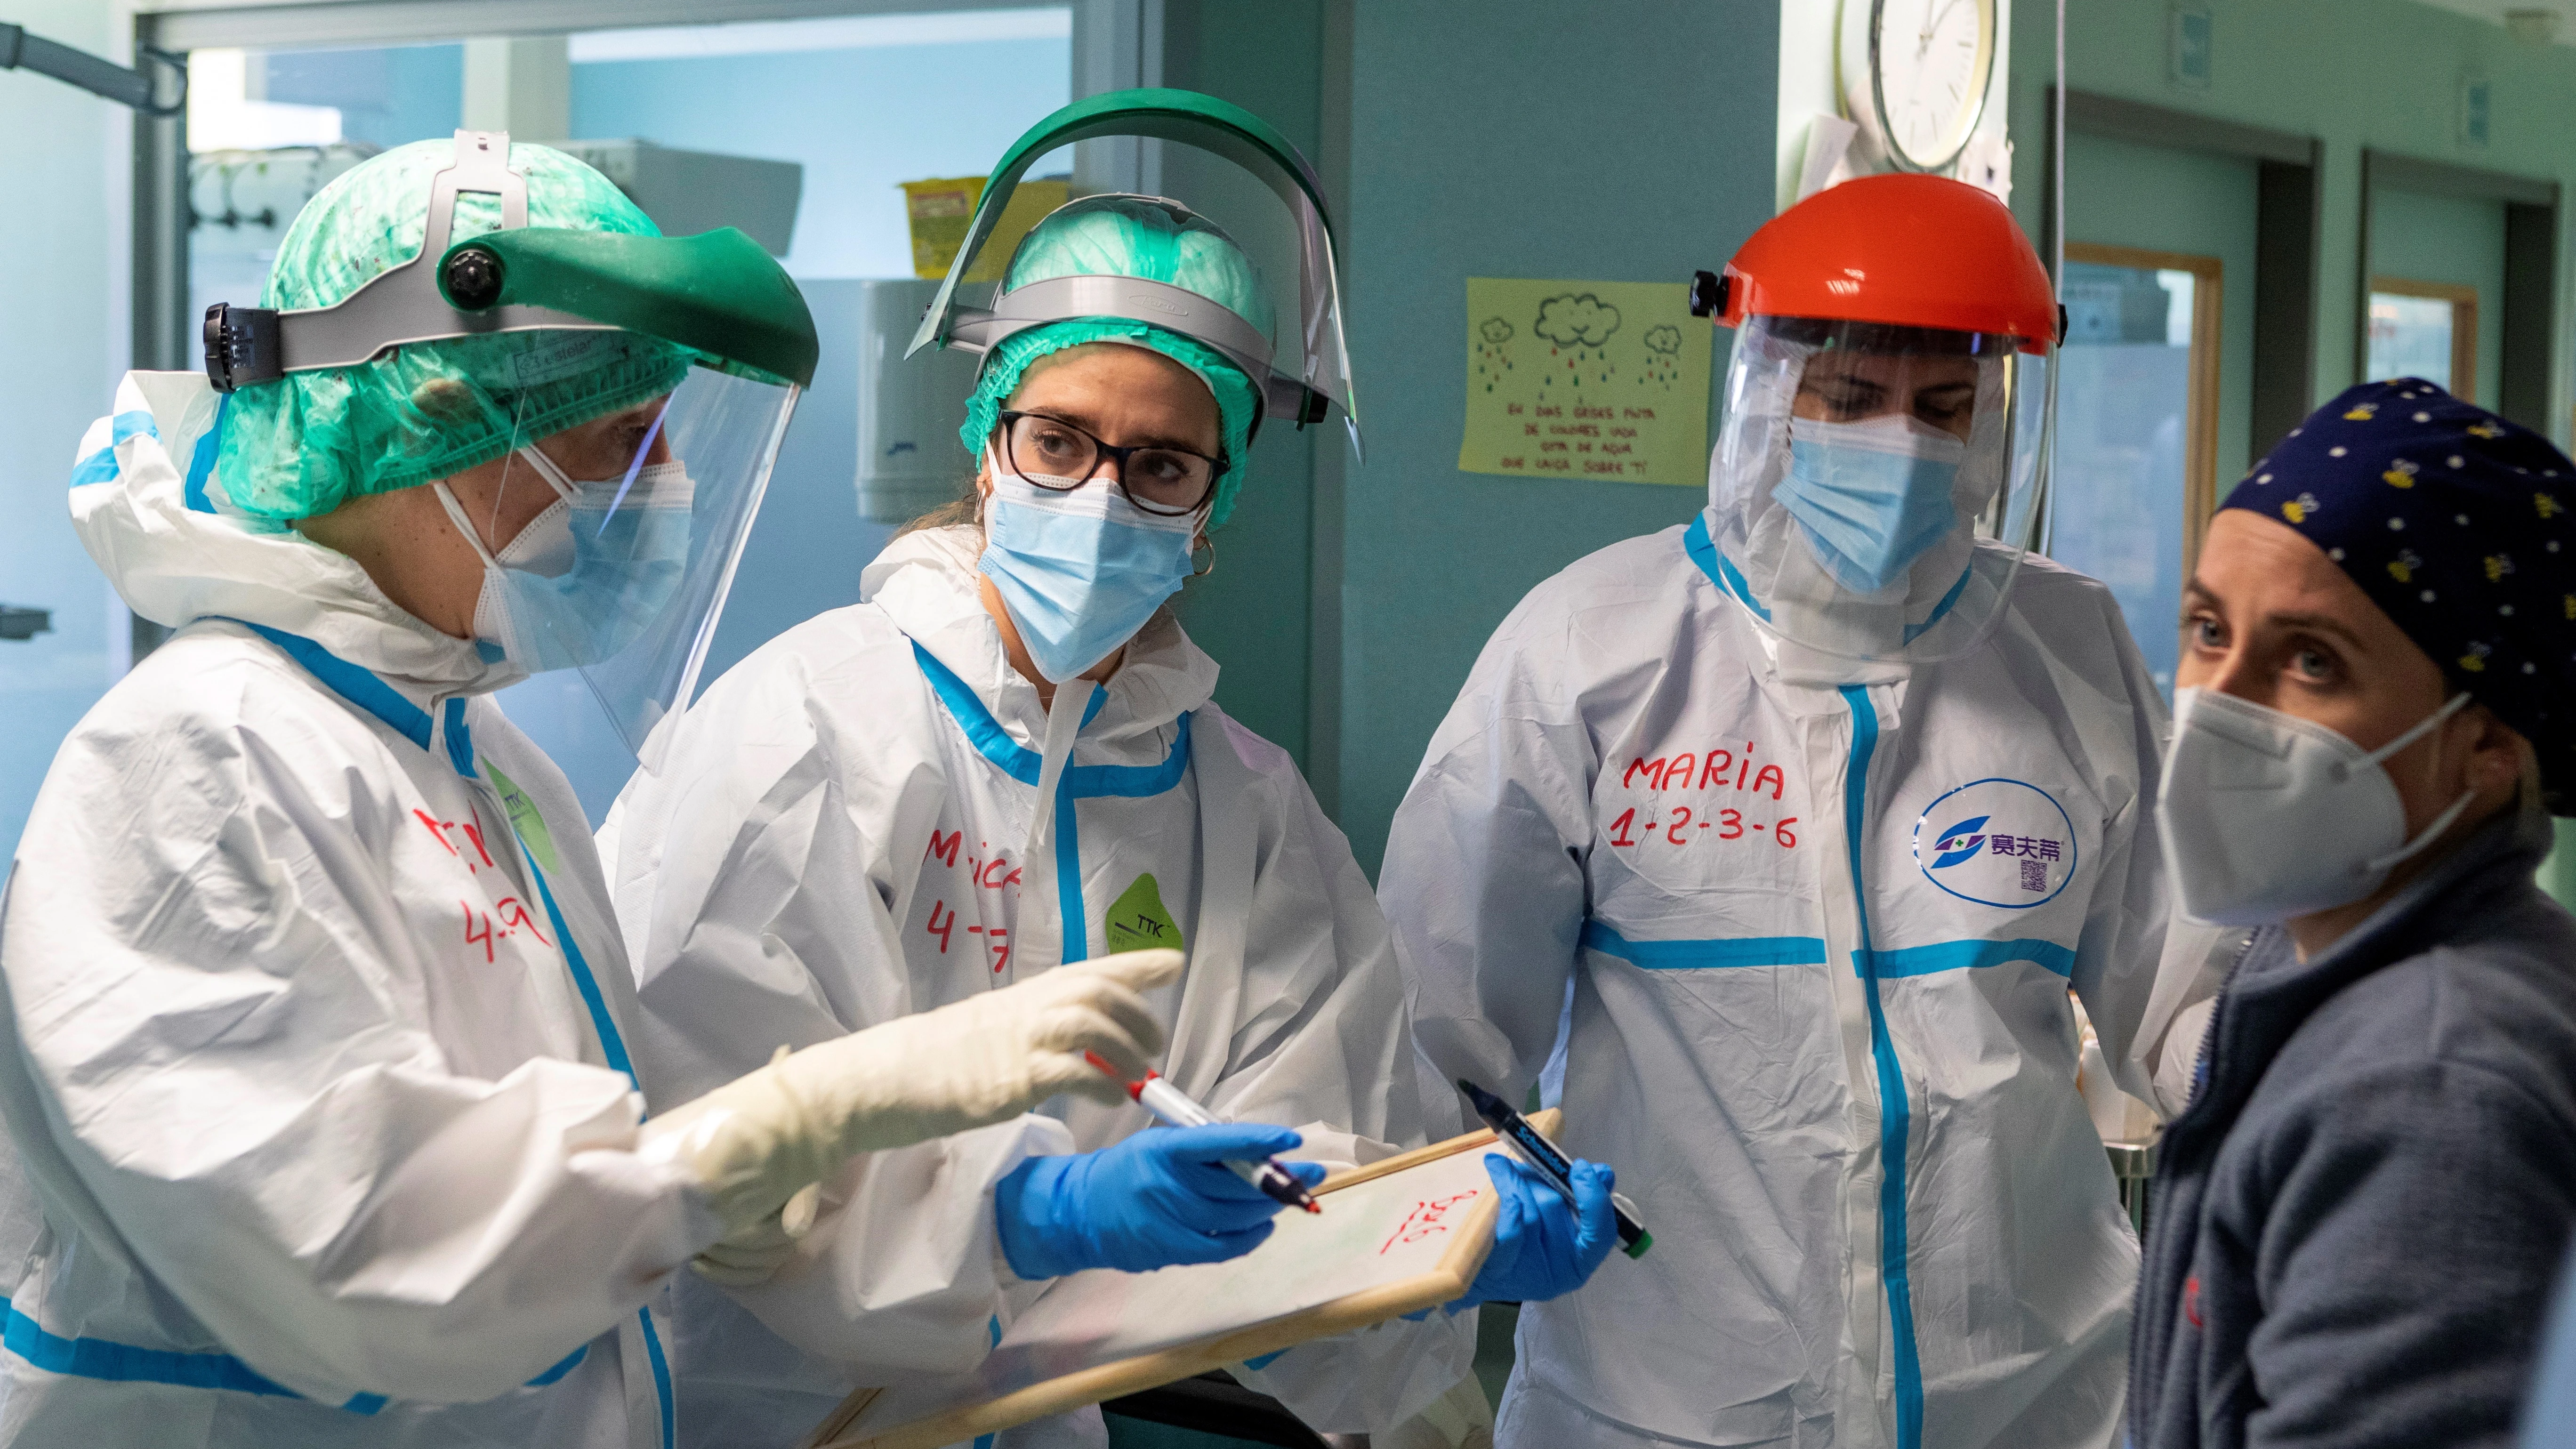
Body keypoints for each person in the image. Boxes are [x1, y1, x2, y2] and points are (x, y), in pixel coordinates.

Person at [0, 131, 1227, 1449]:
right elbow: (363, 1250)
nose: (666, 492)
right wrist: (799, 1113)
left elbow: (601, 1177)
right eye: (623, 442)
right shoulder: (201, 755)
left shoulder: (477, 757)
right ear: (438, 417)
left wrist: (964, 1188)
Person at [598, 89, 1618, 1448]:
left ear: (1218, 504)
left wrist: (1435, 1236)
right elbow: (702, 1143)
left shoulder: (1240, 807)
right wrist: (1027, 1208)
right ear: (985, 439)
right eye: (1060, 440)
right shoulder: (809, 725)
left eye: (1160, 464)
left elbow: (1311, 1151)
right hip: (751, 1416)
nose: (1097, 497)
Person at [1385, 172, 2218, 1449]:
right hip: (1663, 1404)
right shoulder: (1591, 649)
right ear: (1767, 391)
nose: (1902, 445)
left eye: (1945, 409)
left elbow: (2184, 989)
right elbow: (1440, 1034)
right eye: (1850, 400)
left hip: (2033, 1397)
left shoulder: (2067, 647)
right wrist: (1397, 1325)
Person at [2130, 379, 2576, 1449]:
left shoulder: (2426, 1085)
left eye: (2311, 661)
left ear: (2487, 744)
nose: (2218, 704)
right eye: (2206, 630)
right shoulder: (2325, 965)